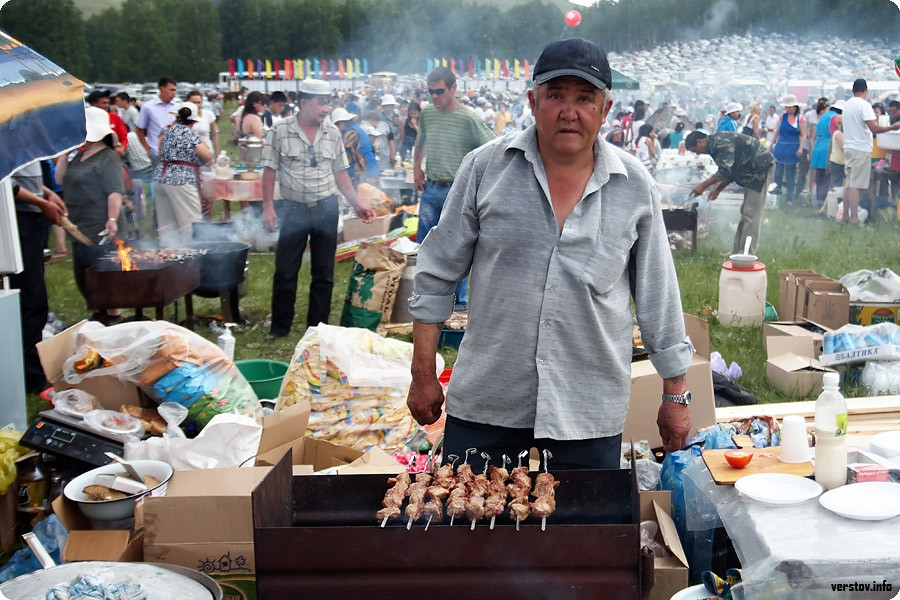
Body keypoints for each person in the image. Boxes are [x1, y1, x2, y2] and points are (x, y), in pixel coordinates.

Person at [407, 38, 695, 472]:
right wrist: (423, 374)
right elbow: (435, 272)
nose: (569, 112)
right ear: (533, 101)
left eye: (585, 99)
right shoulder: (485, 169)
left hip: (587, 406)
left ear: (605, 109)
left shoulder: (634, 185)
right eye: (556, 95)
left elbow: (659, 296)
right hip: (489, 399)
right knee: (470, 512)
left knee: (581, 517)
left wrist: (676, 395)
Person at [260, 79, 376, 339]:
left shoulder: (332, 132)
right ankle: (280, 327)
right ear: (303, 103)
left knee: (324, 273)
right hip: (293, 208)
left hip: (326, 207)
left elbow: (340, 173)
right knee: (285, 270)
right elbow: (269, 170)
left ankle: (317, 328)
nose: (326, 108)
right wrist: (268, 207)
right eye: (321, 103)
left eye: (328, 103)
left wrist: (358, 203)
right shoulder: (280, 130)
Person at [413, 67, 494, 312]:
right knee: (425, 245)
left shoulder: (468, 118)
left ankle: (458, 303)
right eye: (430, 92)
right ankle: (425, 297)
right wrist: (417, 168)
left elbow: (492, 147)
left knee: (456, 248)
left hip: (457, 191)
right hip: (431, 187)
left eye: (439, 91)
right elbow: (420, 143)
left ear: (453, 88)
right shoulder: (427, 114)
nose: (434, 97)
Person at [54, 106, 124, 320]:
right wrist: (64, 154)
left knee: (103, 270)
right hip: (78, 224)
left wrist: (112, 218)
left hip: (99, 223)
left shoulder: (108, 157)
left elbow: (114, 191)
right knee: (83, 272)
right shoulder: (81, 155)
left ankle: (112, 313)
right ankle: (97, 311)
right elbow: (59, 179)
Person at [9, 164, 67, 394]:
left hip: (30, 214)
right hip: (16, 216)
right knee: (31, 297)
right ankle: (31, 375)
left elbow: (18, 173)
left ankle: (29, 368)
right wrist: (42, 203)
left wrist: (46, 192)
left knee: (35, 297)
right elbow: (7, 182)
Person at [686, 131, 774, 255]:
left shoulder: (721, 143)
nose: (697, 154)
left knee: (751, 215)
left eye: (695, 150)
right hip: (749, 170)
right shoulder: (714, 146)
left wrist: (702, 186)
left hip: (761, 169)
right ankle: (737, 251)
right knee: (745, 212)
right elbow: (732, 169)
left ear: (700, 142)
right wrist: (718, 189)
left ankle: (748, 254)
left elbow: (725, 171)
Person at [153, 102, 214, 246]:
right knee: (191, 223)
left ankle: (168, 251)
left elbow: (160, 152)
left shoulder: (167, 130)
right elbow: (207, 156)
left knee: (167, 224)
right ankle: (192, 251)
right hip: (181, 180)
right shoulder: (189, 134)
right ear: (193, 122)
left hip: (161, 177)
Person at [841, 79, 900, 224]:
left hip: (848, 147)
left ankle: (845, 216)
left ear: (853, 90)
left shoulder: (847, 105)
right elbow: (874, 128)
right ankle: (854, 218)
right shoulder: (864, 105)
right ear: (865, 90)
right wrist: (892, 127)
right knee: (855, 185)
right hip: (860, 148)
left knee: (849, 183)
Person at [770, 94, 806, 206]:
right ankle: (776, 194)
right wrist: (772, 143)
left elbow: (803, 135)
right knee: (778, 173)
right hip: (781, 147)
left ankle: (789, 198)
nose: (787, 109)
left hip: (793, 149)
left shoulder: (801, 119)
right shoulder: (782, 117)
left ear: (795, 107)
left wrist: (801, 148)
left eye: (789, 107)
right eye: (786, 107)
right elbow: (777, 131)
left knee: (790, 174)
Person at [331, 107, 379, 185]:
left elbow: (346, 155)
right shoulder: (355, 128)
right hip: (368, 167)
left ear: (341, 123)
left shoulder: (351, 133)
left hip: (364, 170)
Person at [810, 100, 842, 209]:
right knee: (827, 176)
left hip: (818, 146)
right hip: (828, 147)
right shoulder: (836, 117)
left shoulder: (823, 116)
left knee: (819, 175)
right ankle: (825, 201)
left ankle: (819, 199)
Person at [136, 77, 177, 159]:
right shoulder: (148, 107)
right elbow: (139, 129)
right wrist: (147, 149)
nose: (173, 93)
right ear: (161, 89)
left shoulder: (177, 107)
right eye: (171, 90)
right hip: (156, 152)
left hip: (174, 153)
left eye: (174, 90)